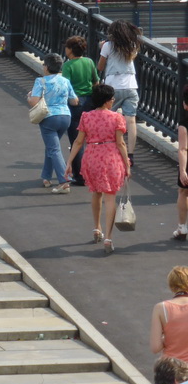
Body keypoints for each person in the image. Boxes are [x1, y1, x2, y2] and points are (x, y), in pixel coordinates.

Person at [65, 84, 131, 254]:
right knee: (110, 198)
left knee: (96, 193)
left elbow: (78, 142)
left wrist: (69, 162)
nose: (113, 101)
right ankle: (108, 238)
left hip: (92, 157)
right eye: (112, 99)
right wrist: (127, 163)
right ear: (108, 101)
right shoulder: (117, 118)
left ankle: (96, 228)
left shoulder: (86, 117)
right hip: (111, 158)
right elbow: (121, 143)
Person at [28, 53, 77, 193]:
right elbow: (74, 101)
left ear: (47, 67)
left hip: (48, 118)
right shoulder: (65, 81)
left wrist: (29, 97)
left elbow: (34, 102)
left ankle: (64, 180)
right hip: (65, 116)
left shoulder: (41, 81)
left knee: (54, 149)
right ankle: (46, 176)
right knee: (51, 146)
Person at [98, 19, 142, 164]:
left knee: (109, 119)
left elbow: (100, 66)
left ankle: (112, 150)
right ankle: (131, 154)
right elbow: (131, 58)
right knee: (131, 120)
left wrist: (102, 48)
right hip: (131, 86)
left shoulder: (108, 46)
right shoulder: (133, 45)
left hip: (113, 87)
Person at [62, 36, 99, 186]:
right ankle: (92, 172)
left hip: (75, 103)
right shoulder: (89, 62)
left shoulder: (68, 65)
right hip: (89, 101)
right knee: (90, 139)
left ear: (70, 50)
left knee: (76, 140)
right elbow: (96, 81)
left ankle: (80, 175)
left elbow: (66, 87)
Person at [152, 267, 188, 367]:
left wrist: (168, 336)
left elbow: (155, 347)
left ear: (171, 285)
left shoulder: (160, 308)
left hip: (171, 369)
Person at [177, 87, 188, 242]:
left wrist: (183, 170)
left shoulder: (184, 123)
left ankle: (182, 227)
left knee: (183, 192)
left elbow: (183, 149)